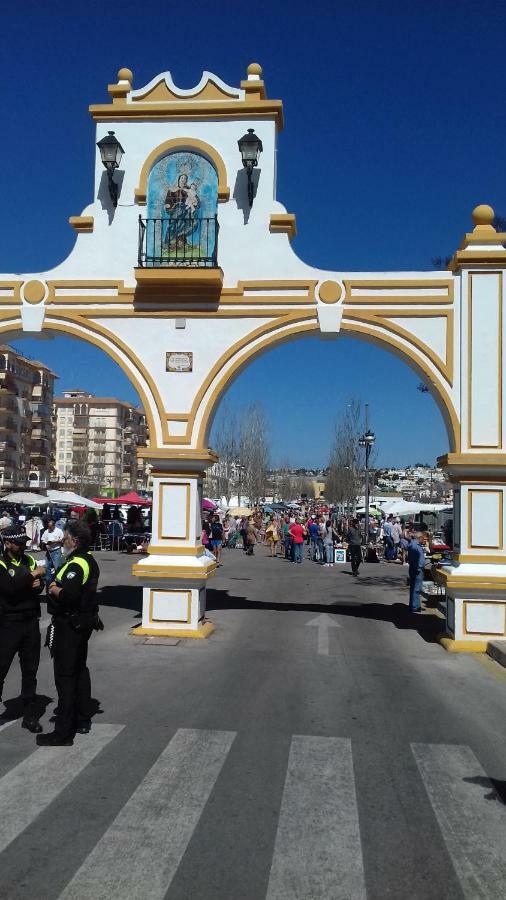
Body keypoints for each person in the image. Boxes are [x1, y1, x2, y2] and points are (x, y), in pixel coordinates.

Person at [37, 521, 101, 746]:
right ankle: (82, 718)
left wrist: (54, 588)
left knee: (65, 676)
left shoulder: (78, 563)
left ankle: (63, 732)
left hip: (69, 626)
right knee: (78, 671)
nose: (63, 541)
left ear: (75, 541)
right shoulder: (84, 560)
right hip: (80, 624)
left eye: (65, 538)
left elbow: (69, 596)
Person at [0, 526, 46, 733]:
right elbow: (9, 588)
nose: (23, 546)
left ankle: (30, 715)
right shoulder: (2, 563)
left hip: (30, 621)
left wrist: (38, 583)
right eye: (18, 543)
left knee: (30, 670)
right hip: (8, 623)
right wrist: (33, 576)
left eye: (24, 542)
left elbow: (38, 583)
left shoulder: (29, 561)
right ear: (7, 543)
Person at [40, 518, 64, 590]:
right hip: (49, 551)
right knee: (47, 567)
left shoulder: (59, 531)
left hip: (56, 550)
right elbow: (43, 540)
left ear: (54, 526)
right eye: (48, 527)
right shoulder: (46, 531)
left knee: (57, 567)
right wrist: (45, 544)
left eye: (50, 527)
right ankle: (48, 582)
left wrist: (55, 542)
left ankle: (58, 583)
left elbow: (62, 540)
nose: (49, 528)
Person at [407, 530, 427, 613]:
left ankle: (413, 604)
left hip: (413, 568)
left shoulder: (413, 544)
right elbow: (418, 560)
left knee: (413, 588)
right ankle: (415, 606)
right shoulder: (415, 546)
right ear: (420, 537)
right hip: (417, 569)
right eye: (423, 538)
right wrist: (420, 567)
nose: (423, 540)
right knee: (416, 588)